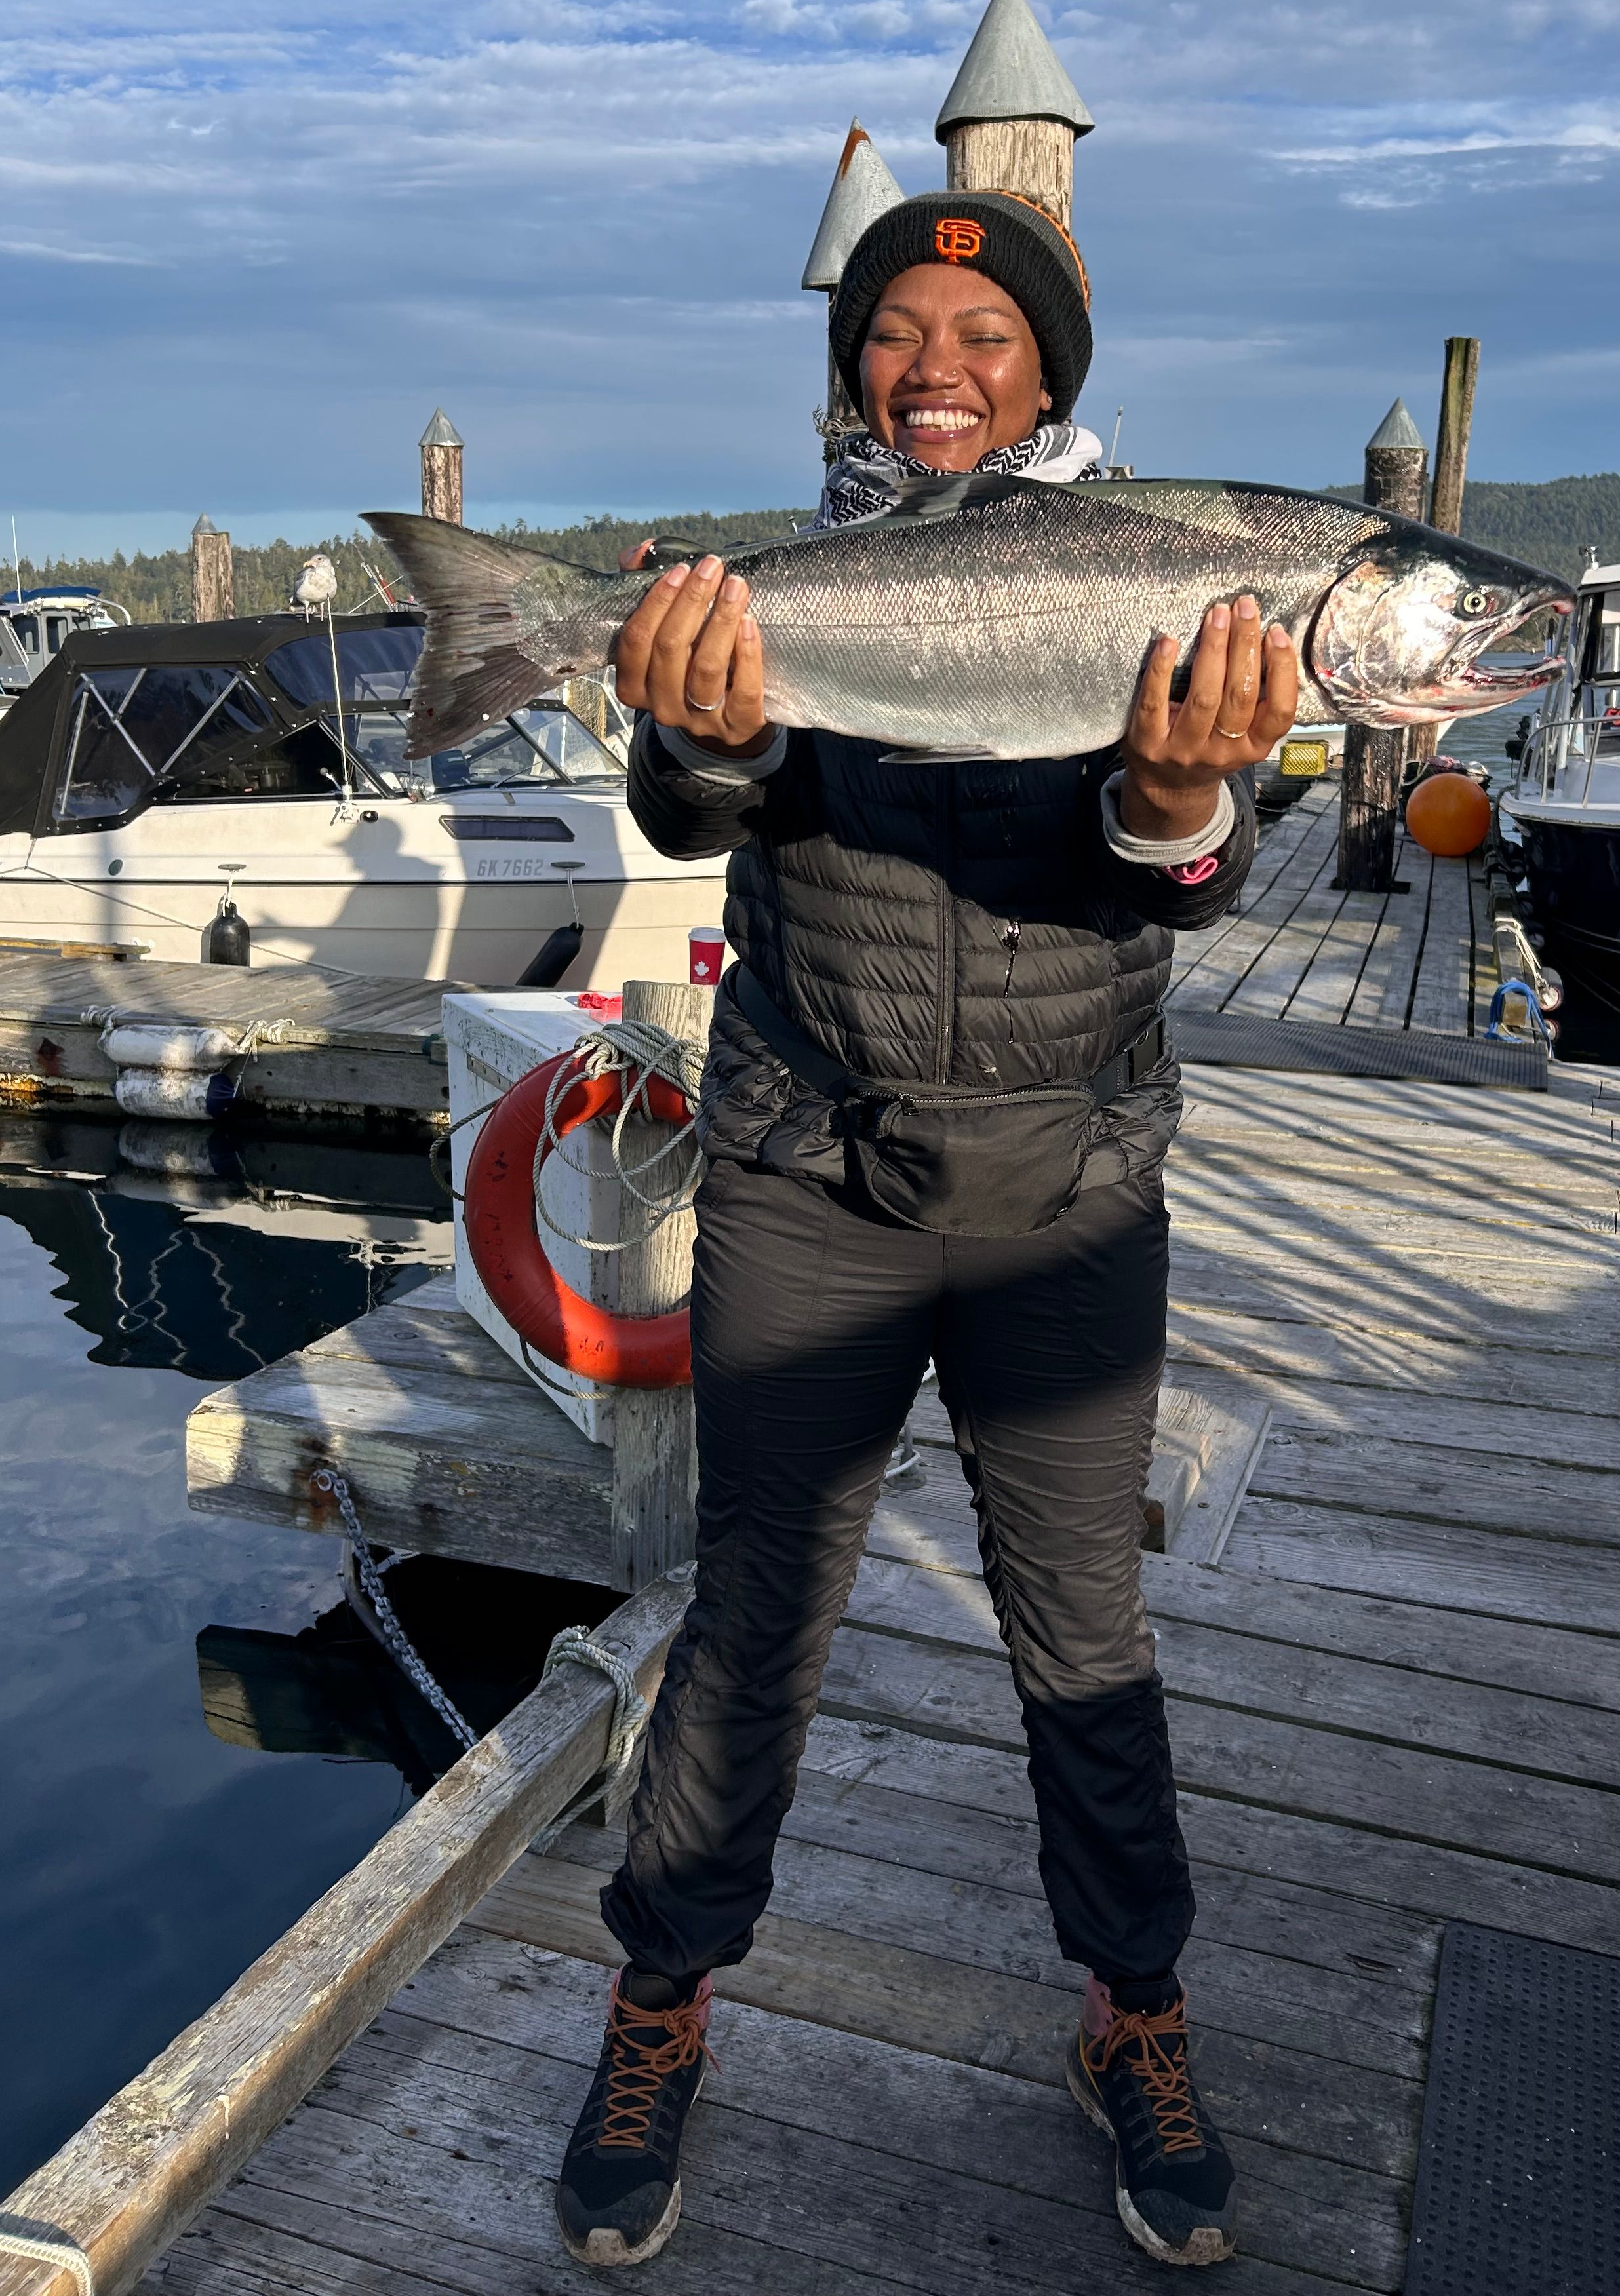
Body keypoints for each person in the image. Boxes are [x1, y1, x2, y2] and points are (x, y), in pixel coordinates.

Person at [555, 189, 1298, 2271]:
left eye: (985, 330)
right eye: (897, 327)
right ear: (851, 368)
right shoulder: (787, 588)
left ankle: (1134, 2011)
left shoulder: (1170, 578)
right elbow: (693, 811)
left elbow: (1182, 874)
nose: (937, 363)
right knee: (753, 1617)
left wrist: (1179, 793)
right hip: (812, 1173)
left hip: (1069, 1188)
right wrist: (701, 724)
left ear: (1050, 374)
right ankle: (661, 2001)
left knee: (1086, 1633)